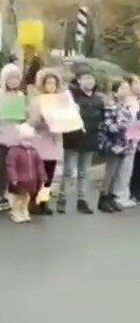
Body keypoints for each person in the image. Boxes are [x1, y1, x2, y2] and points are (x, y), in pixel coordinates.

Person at [56, 66, 104, 215]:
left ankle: (82, 200)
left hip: (90, 139)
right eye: (85, 78)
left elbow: (102, 119)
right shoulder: (71, 97)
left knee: (84, 172)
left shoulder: (98, 99)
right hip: (73, 138)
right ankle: (62, 198)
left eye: (91, 79)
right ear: (79, 80)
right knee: (69, 171)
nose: (89, 82)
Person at [0, 63, 26, 208]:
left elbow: (21, 115)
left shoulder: (20, 95)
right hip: (0, 133)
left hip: (15, 134)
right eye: (11, 78)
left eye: (16, 78)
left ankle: (6, 190)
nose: (14, 81)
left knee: (10, 164)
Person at [28, 69, 64, 215]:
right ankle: (33, 200)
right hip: (40, 140)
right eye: (48, 83)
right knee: (38, 174)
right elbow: (32, 121)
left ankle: (43, 201)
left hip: (54, 141)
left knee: (49, 174)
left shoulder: (61, 101)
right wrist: (41, 120)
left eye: (54, 83)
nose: (51, 86)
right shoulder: (37, 100)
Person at [98, 79, 135, 213]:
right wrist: (125, 128)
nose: (125, 91)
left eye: (127, 88)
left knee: (118, 173)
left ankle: (112, 197)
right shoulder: (110, 106)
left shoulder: (126, 107)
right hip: (114, 143)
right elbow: (109, 125)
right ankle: (103, 197)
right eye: (122, 88)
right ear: (115, 91)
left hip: (125, 143)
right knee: (110, 171)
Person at [5, 123, 47, 223]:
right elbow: (10, 165)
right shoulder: (14, 151)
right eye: (25, 140)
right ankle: (16, 212)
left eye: (29, 140)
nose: (27, 143)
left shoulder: (34, 152)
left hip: (30, 181)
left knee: (26, 198)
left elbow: (39, 165)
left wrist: (42, 176)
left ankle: (24, 211)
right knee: (18, 198)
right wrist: (13, 177)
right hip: (19, 180)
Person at [113, 75, 140, 207]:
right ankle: (118, 194)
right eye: (135, 83)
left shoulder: (135, 101)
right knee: (123, 168)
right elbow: (131, 121)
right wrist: (132, 137)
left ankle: (125, 193)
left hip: (134, 138)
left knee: (129, 168)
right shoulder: (128, 102)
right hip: (125, 139)